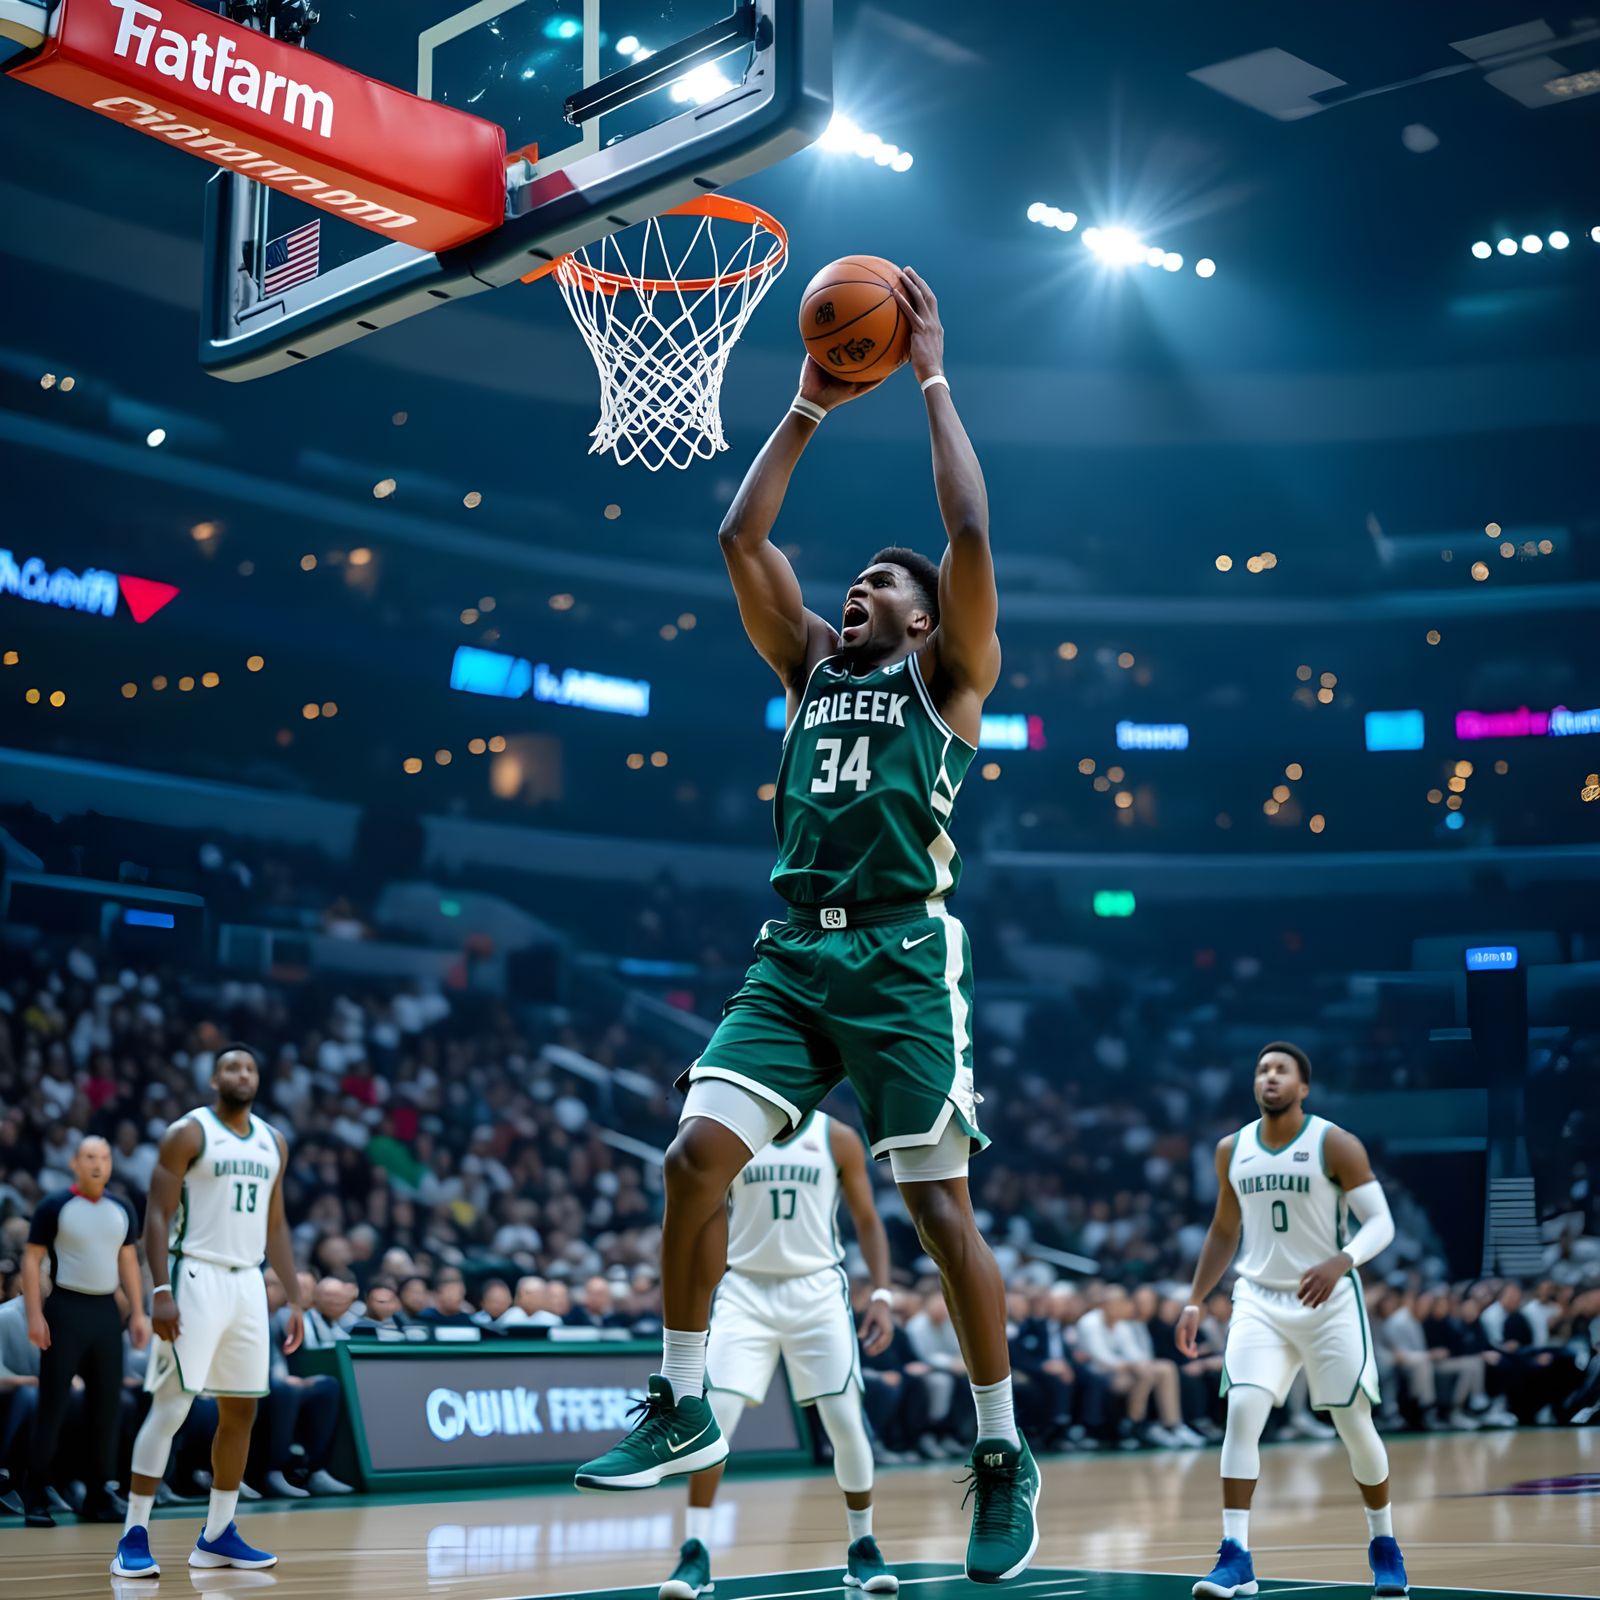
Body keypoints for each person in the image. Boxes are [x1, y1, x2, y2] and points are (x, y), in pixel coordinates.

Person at [575, 270, 1037, 1586]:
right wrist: (808, 406)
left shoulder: (951, 679)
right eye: (855, 583)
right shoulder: (806, 671)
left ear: (925, 617)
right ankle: (678, 1395)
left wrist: (932, 373)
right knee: (689, 1161)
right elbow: (739, 537)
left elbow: (965, 523)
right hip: (792, 956)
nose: (859, 592)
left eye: (885, 587)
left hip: (898, 952)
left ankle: (1001, 1454)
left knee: (941, 1212)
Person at [1178, 1042, 1408, 1600]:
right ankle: (1236, 1557)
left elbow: (1381, 1223)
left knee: (1354, 1426)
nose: (1269, 1077)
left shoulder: (1334, 1142)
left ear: (1304, 1087)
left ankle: (1385, 1545)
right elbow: (1223, 1231)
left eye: (1281, 1070)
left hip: (1329, 1302)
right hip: (1259, 1300)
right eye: (1261, 1070)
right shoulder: (1231, 1149)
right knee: (1241, 1416)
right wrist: (1195, 1298)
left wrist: (1343, 1258)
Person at [659, 1112, 898, 1598]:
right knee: (714, 1422)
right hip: (745, 1288)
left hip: (817, 1290)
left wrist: (882, 1294)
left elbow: (867, 1219)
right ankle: (695, 1553)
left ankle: (863, 1546)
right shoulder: (733, 1131)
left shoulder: (837, 1138)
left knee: (845, 1421)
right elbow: (704, 1214)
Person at [112, 1044, 305, 1579]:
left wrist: (293, 1293)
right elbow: (157, 1214)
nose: (241, 1074)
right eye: (230, 1067)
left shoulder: (274, 1142)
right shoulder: (188, 1133)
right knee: (171, 1406)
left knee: (241, 1410)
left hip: (247, 1282)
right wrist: (159, 1290)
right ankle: (133, 1534)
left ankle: (217, 1534)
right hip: (193, 1274)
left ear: (258, 1080)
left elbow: (277, 1225)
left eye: (249, 1067)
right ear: (214, 1079)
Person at [21, 1135, 148, 1525]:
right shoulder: (55, 1205)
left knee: (107, 1408)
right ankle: (35, 1495)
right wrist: (34, 1315)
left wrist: (139, 1313)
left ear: (110, 1164)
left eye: (104, 1157)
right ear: (75, 1163)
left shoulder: (122, 1207)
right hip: (64, 1308)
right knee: (53, 1405)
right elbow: (31, 1260)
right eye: (90, 1157)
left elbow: (128, 1262)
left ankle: (98, 1494)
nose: (98, 1164)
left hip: (106, 1313)